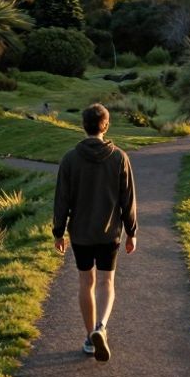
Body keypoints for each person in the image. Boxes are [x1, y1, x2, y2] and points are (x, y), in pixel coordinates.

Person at [53, 103, 138, 362]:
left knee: (85, 283)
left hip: (80, 234)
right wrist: (132, 231)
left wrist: (58, 232)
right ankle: (101, 326)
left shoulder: (70, 159)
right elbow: (128, 199)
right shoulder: (119, 157)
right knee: (106, 282)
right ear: (106, 125)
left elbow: (62, 200)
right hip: (109, 233)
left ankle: (90, 337)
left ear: (83, 126)